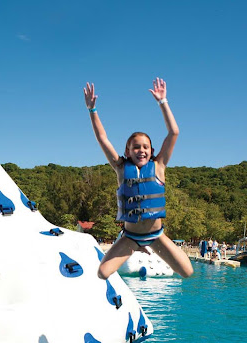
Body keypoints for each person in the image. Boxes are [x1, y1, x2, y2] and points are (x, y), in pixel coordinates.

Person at [83, 78, 193, 280]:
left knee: (187, 272)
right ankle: (136, 250)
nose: (140, 150)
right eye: (135, 147)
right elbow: (102, 138)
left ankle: (149, 248)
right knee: (102, 272)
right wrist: (92, 110)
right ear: (128, 151)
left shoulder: (159, 166)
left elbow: (174, 132)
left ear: (151, 151)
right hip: (130, 237)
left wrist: (163, 102)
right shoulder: (121, 168)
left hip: (156, 235)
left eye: (145, 147)